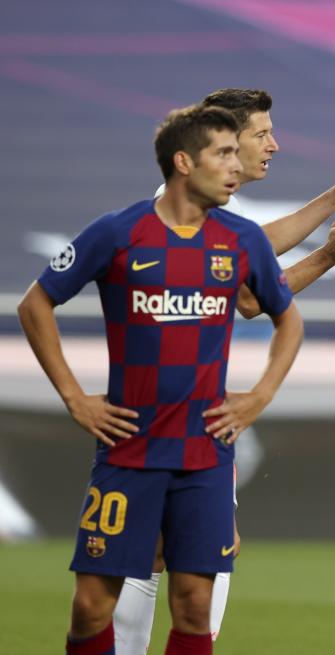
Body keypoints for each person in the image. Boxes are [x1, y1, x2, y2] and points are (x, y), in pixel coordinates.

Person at [17, 104, 304, 655]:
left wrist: (260, 395)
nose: (235, 167)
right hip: (128, 449)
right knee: (90, 607)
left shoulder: (241, 240)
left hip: (205, 453)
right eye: (222, 154)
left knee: (195, 607)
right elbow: (36, 304)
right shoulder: (119, 233)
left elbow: (285, 316)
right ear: (182, 162)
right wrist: (75, 399)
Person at [113, 88, 335, 654]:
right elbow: (251, 298)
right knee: (206, 546)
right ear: (227, 142)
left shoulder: (195, 206)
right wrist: (325, 256)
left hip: (171, 401)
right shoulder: (185, 214)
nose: (274, 145)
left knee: (163, 549)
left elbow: (251, 253)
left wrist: (334, 198)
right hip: (176, 405)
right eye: (262, 135)